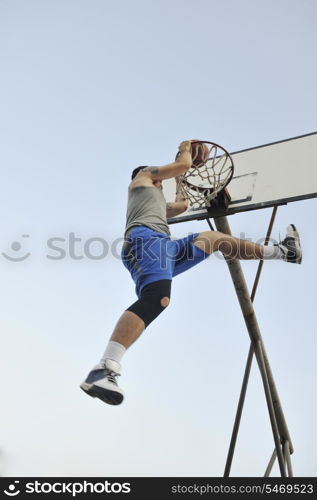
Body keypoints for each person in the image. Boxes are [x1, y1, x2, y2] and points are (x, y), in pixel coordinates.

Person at [80, 140, 302, 406]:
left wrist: (183, 177)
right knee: (157, 298)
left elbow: (182, 206)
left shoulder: (156, 202)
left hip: (164, 245)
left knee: (215, 238)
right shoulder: (143, 177)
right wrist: (184, 149)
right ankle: (105, 367)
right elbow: (182, 163)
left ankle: (283, 252)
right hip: (147, 242)